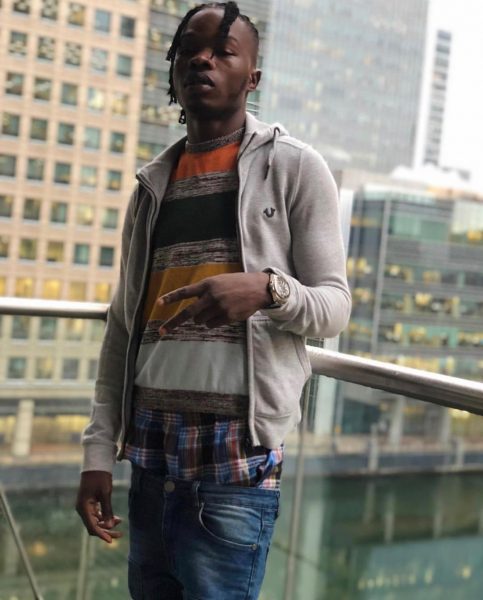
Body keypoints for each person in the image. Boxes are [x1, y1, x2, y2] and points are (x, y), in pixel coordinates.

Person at [75, 2, 351, 598]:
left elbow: (334, 307)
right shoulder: (152, 186)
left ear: (253, 77)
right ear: (173, 69)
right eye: (189, 50)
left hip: (234, 462)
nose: (203, 59)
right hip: (149, 454)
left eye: (224, 52)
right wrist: (97, 453)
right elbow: (123, 328)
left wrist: (268, 288)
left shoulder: (295, 168)